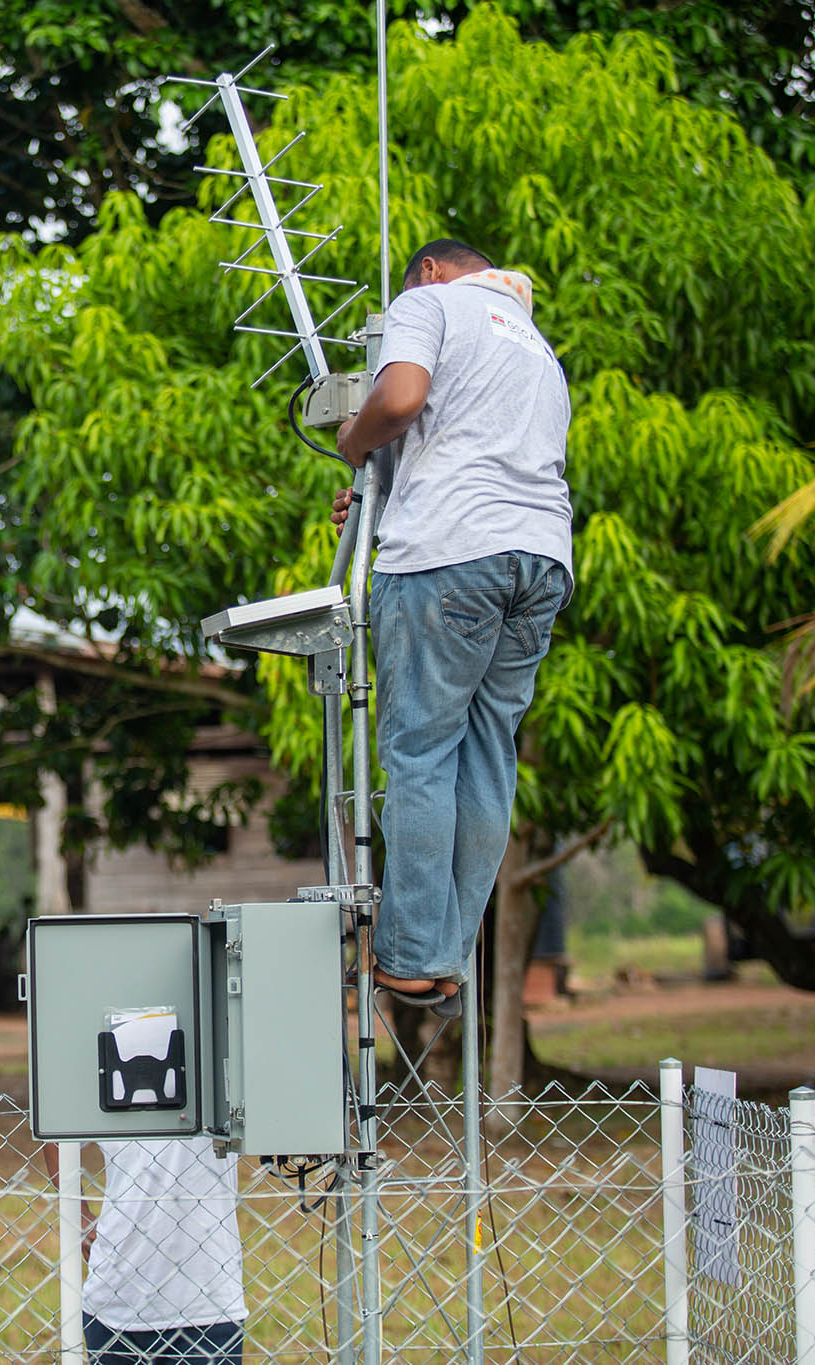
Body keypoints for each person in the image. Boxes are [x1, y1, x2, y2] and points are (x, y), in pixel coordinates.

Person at [332, 239, 573, 1013]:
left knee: (421, 751)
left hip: (449, 557)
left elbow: (399, 399)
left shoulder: (427, 302)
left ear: (432, 269)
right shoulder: (536, 346)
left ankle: (406, 955)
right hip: (539, 559)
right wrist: (378, 486)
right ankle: (445, 954)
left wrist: (352, 441)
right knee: (485, 759)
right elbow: (460, 443)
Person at [44, 1139, 247, 1364]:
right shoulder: (90, 1101)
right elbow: (56, 1138)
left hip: (207, 1302)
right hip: (114, 1301)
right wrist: (79, 1214)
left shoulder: (223, 1102)